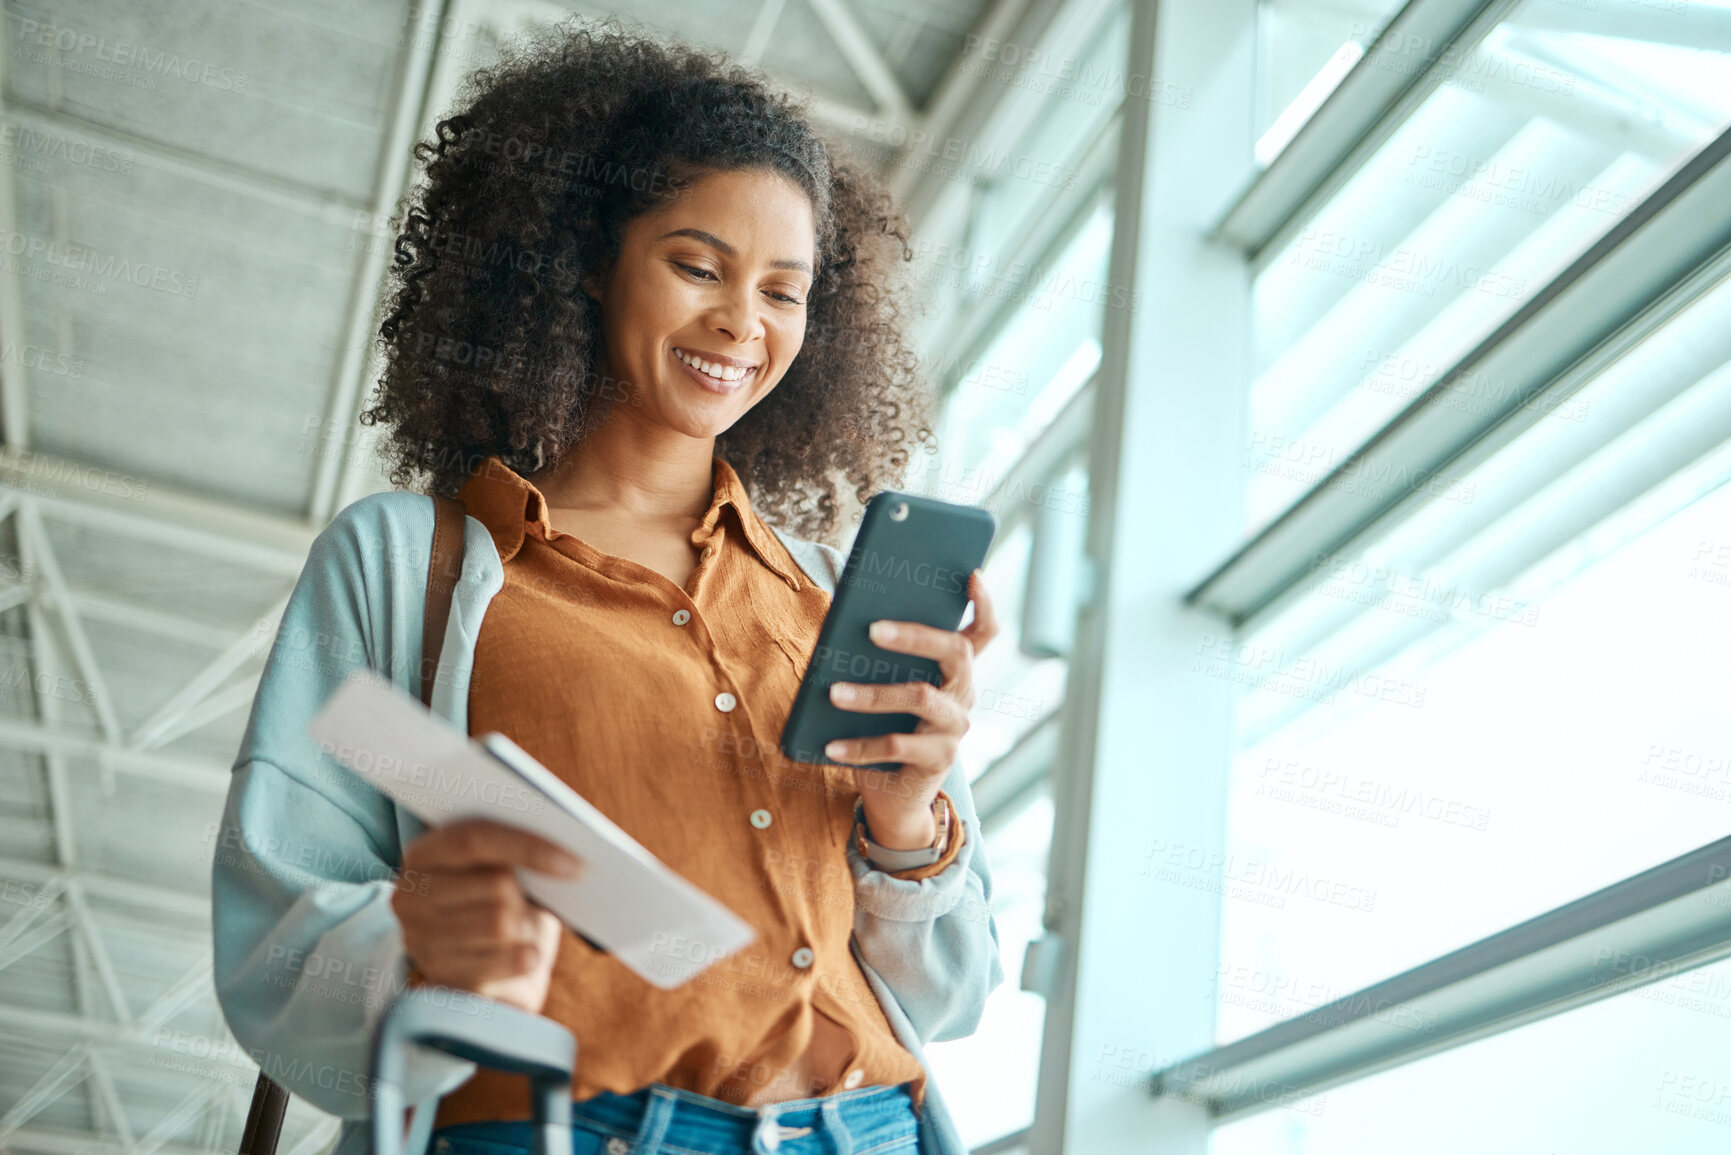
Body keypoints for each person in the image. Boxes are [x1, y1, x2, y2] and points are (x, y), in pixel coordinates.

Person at [211, 16, 1004, 1155]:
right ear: (587, 259)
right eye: (698, 265)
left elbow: (950, 991)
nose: (743, 322)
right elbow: (275, 945)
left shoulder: (827, 597)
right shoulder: (406, 567)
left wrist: (907, 820)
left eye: (786, 290)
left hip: (869, 1129)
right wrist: (422, 943)